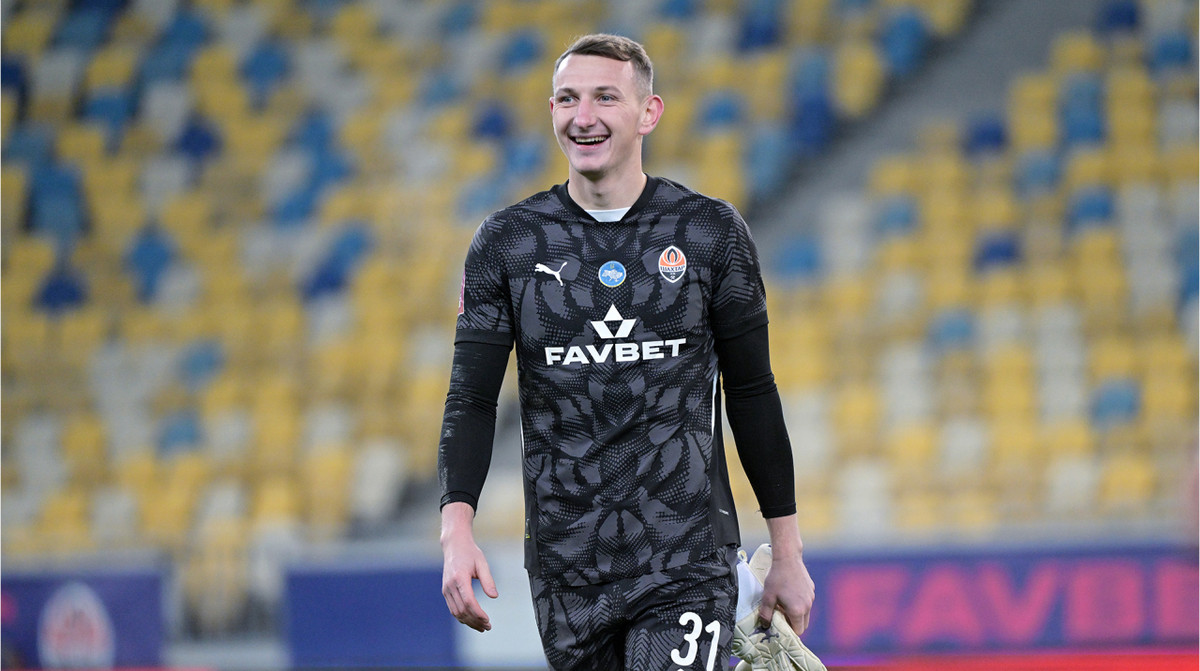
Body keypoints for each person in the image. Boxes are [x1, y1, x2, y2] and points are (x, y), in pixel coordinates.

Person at [438, 33, 815, 670]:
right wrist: (456, 532)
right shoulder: (508, 243)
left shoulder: (709, 233)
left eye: (605, 98)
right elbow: (470, 400)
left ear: (648, 112)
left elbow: (753, 393)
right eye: (567, 99)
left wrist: (788, 551)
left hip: (686, 557)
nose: (583, 116)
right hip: (565, 569)